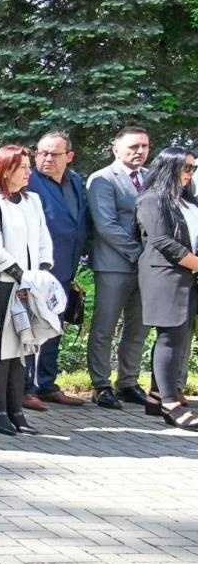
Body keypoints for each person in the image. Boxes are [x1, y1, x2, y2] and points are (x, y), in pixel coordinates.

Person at [0, 146, 53, 436]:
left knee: (23, 350)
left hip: (30, 285)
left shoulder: (33, 201)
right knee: (3, 348)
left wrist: (42, 270)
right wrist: (18, 273)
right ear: (5, 170)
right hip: (4, 284)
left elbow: (43, 237)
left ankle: (17, 410)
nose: (29, 172)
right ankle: (0, 410)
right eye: (23, 167)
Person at [86, 126, 153, 410]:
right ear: (116, 149)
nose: (139, 151)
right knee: (105, 327)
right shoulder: (102, 179)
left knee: (139, 327)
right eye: (133, 146)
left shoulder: (152, 178)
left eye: (144, 146)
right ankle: (101, 385)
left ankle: (128, 382)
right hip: (114, 264)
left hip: (148, 267)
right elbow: (106, 226)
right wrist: (140, 253)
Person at [136, 147, 198, 430]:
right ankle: (170, 402)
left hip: (188, 275)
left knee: (179, 334)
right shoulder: (152, 199)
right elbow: (162, 241)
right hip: (164, 274)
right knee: (169, 336)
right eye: (186, 167)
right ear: (168, 168)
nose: (190, 174)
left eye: (193, 168)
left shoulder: (186, 202)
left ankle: (156, 395)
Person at [26, 132, 89, 408]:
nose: (47, 158)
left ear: (69, 157)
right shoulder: (29, 181)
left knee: (54, 328)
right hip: (36, 270)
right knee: (28, 330)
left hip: (65, 269)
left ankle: (46, 384)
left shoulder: (75, 181)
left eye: (54, 154)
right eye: (42, 153)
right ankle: (25, 387)